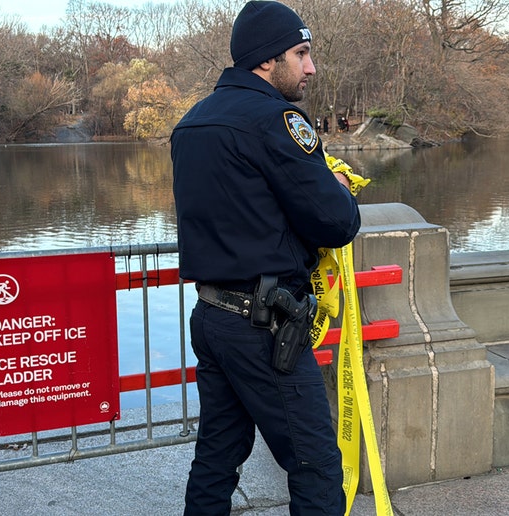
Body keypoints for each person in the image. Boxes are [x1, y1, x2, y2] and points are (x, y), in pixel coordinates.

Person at [170, 1, 360, 514]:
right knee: (317, 465)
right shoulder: (276, 119)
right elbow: (334, 224)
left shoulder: (193, 122)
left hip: (211, 316)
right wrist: (339, 186)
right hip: (265, 326)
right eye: (301, 54)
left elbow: (244, 212)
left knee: (216, 458)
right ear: (266, 61)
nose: (311, 67)